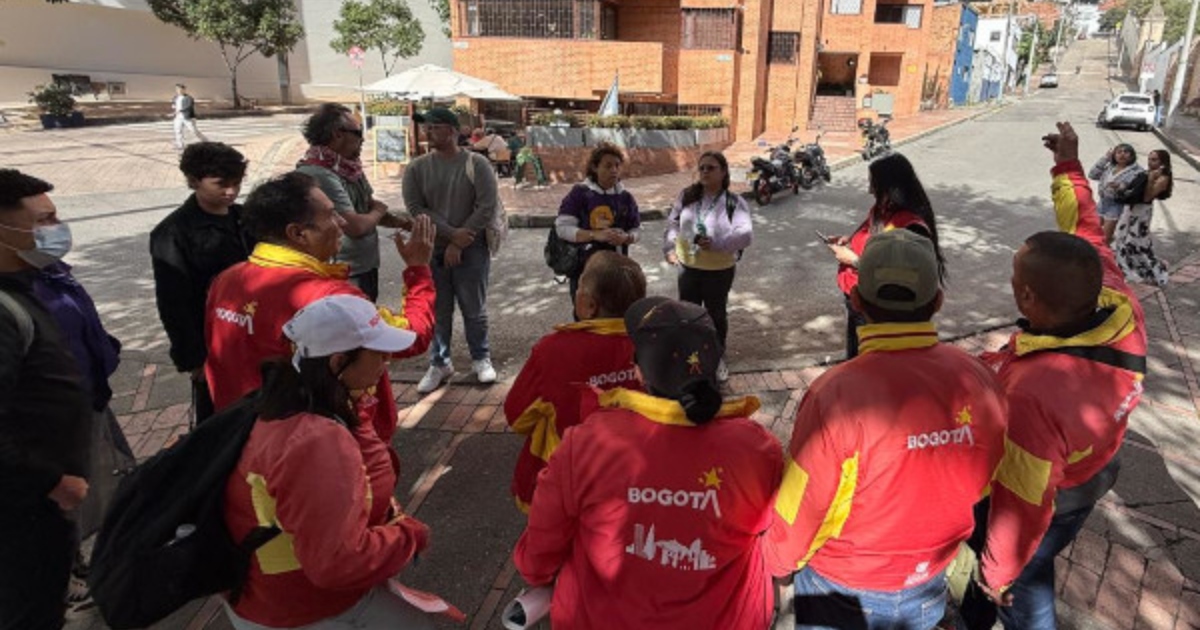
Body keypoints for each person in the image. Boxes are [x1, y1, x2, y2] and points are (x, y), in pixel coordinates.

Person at [765, 229, 1007, 630]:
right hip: (929, 578)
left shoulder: (835, 393)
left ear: (857, 300)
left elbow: (803, 503)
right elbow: (988, 474)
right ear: (938, 302)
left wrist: (779, 566)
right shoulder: (978, 378)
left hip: (839, 588)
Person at [960, 122, 1148, 629]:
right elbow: (1084, 223)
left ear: (1027, 299)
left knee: (1021, 587)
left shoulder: (1035, 396)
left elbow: (1021, 503)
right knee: (1022, 569)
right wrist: (1068, 165)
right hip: (1096, 468)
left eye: (1016, 281)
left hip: (1055, 497)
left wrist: (999, 574)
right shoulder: (1114, 297)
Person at [513, 296, 783, 629]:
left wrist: (536, 574)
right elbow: (777, 542)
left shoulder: (587, 442)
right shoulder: (758, 448)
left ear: (638, 370)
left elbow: (540, 547)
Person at [223, 295, 433, 630]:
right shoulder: (315, 442)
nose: (387, 361)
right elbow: (335, 563)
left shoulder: (295, 397)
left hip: (269, 595)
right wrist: (409, 535)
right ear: (338, 363)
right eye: (378, 353)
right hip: (305, 609)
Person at [203, 172, 435, 452]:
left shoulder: (227, 279)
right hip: (319, 448)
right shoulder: (332, 299)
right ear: (298, 233)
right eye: (331, 215)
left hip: (239, 439)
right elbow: (413, 335)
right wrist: (418, 270)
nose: (341, 223)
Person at [30, 209, 134, 621]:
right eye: (42, 218)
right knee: (58, 506)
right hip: (47, 430)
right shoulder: (13, 299)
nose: (56, 226)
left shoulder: (51, 271)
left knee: (101, 485)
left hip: (87, 400)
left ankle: (81, 563)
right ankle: (65, 578)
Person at [0, 169, 92, 630]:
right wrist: (50, 481)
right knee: (30, 609)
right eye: (44, 220)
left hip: (42, 499)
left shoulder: (27, 284)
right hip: (24, 508)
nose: (57, 230)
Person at [504, 251, 646, 513]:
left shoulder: (552, 350)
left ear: (588, 304)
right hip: (637, 483)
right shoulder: (655, 346)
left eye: (580, 283)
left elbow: (518, 417)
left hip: (566, 484)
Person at [151, 142, 254, 423]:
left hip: (255, 334)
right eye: (221, 184)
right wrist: (194, 358)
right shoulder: (172, 233)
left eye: (237, 183)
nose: (231, 191)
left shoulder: (246, 218)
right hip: (213, 342)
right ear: (194, 180)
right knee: (221, 422)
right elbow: (173, 302)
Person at [403, 107, 501, 394]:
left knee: (474, 308)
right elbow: (416, 208)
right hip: (432, 248)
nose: (429, 132)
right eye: (427, 128)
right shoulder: (417, 168)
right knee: (439, 309)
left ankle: (481, 358)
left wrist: (460, 241)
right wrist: (450, 235)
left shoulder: (476, 164)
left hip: (472, 248)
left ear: (453, 130)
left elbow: (486, 206)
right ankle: (439, 362)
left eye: (435, 127)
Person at [823, 152, 947, 358]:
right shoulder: (882, 210)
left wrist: (853, 260)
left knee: (870, 360)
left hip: (880, 309)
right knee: (856, 356)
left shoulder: (910, 226)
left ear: (891, 188)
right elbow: (873, 239)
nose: (870, 189)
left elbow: (901, 276)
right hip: (861, 299)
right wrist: (850, 240)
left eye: (874, 184)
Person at [297, 103, 410, 302]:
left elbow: (366, 207)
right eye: (358, 132)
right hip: (343, 271)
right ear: (337, 134)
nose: (363, 138)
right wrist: (378, 211)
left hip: (363, 265)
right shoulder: (320, 173)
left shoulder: (347, 166)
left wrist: (403, 222)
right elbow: (354, 225)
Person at [663, 151, 752, 382]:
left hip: (718, 270)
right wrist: (669, 247)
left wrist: (719, 243)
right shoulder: (688, 196)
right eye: (701, 168)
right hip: (688, 266)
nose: (704, 172)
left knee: (715, 316)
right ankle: (690, 357)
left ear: (723, 172)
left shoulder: (734, 202)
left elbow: (745, 234)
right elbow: (673, 222)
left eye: (711, 168)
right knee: (688, 315)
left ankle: (716, 357)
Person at [554, 143, 641, 308]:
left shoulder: (625, 197)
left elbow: (636, 230)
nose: (614, 170)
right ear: (594, 167)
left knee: (615, 315)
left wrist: (627, 238)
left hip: (618, 271)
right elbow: (562, 228)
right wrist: (594, 235)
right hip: (584, 271)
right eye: (608, 166)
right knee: (586, 319)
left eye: (617, 165)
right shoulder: (580, 194)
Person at [1113, 148, 1172, 287]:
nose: (1150, 162)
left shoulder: (1163, 178)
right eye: (1149, 158)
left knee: (1137, 243)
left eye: (1154, 159)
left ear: (1163, 162)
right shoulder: (1147, 172)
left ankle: (1153, 270)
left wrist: (1151, 179)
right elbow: (1134, 189)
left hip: (1141, 212)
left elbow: (1147, 197)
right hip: (1130, 209)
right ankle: (1123, 269)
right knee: (1120, 237)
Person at [1088, 143, 1143, 245]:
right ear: (1114, 155)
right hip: (1102, 202)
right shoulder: (1110, 166)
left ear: (1131, 155)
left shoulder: (1137, 171)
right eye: (1119, 152)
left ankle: (1103, 257)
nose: (1122, 154)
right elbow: (1092, 175)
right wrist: (1105, 159)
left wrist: (1120, 187)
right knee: (1092, 232)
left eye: (1126, 152)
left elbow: (1136, 190)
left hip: (1117, 205)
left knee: (1105, 238)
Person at [171, 84, 208, 150]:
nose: (178, 91)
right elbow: (174, 104)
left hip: (187, 117)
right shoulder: (175, 97)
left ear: (184, 90)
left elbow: (189, 107)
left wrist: (180, 110)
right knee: (178, 131)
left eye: (180, 89)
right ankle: (180, 145)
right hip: (178, 117)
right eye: (177, 89)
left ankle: (205, 141)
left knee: (194, 131)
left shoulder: (189, 98)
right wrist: (174, 107)